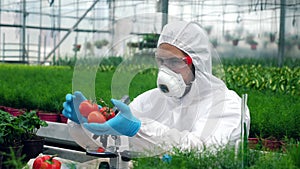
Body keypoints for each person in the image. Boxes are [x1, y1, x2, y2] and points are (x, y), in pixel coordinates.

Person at [63, 21, 250, 156]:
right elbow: (113, 145)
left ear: (197, 63)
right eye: (161, 61)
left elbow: (201, 150)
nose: (165, 69)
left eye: (175, 62)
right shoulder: (151, 100)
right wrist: (83, 123)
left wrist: (139, 128)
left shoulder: (226, 105)